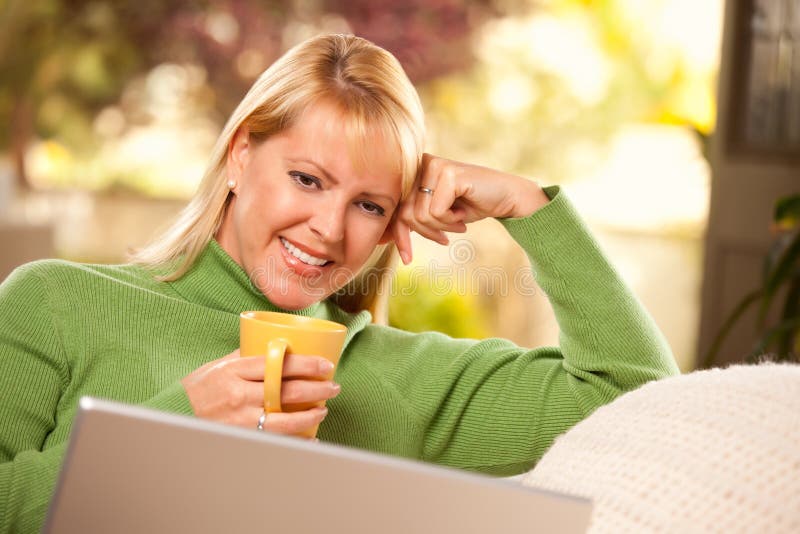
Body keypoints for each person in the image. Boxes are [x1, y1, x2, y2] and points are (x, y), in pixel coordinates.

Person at [0, 33, 679, 532]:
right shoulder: (57, 303)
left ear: (391, 224)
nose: (328, 228)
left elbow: (638, 393)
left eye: (368, 204)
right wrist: (176, 428)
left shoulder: (397, 378)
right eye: (307, 179)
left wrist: (526, 207)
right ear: (240, 155)